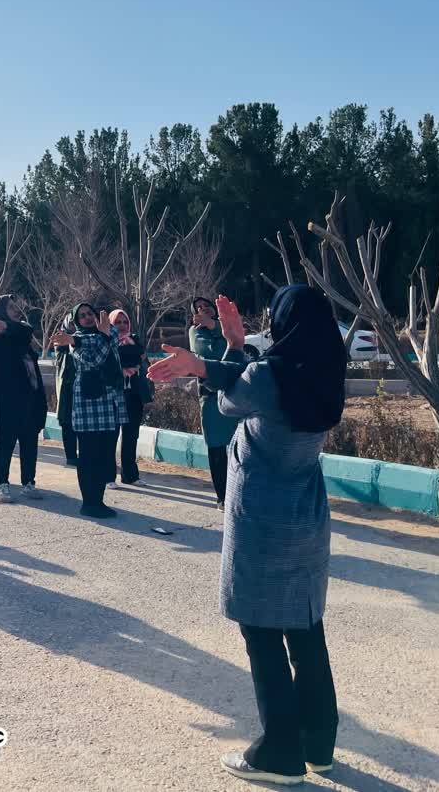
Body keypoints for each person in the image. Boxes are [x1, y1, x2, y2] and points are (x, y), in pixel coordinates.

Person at [148, 287, 345, 785]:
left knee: (261, 631)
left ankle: (279, 751)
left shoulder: (267, 376)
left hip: (262, 522)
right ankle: (317, 741)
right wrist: (232, 351)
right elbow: (246, 383)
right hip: (306, 518)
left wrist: (226, 352)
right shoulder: (324, 373)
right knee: (305, 629)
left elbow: (228, 402)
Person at [50, 304, 125, 518]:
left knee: (103, 455)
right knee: (88, 456)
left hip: (108, 403)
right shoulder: (75, 340)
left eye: (90, 313)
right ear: (76, 321)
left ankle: (98, 501)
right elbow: (93, 360)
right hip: (87, 405)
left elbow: (112, 339)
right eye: (82, 316)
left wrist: (103, 336)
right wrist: (91, 339)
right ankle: (89, 503)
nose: (87, 318)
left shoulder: (103, 334)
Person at [0, 294, 46, 503]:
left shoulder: (18, 331)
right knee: (5, 442)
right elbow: (1, 350)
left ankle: (29, 482)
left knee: (29, 441)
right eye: (10, 307)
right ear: (0, 311)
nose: (16, 310)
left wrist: (10, 326)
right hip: (8, 398)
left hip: (30, 396)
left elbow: (27, 330)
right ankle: (2, 485)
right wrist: (8, 328)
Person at [189, 296, 242, 507]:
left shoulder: (224, 326)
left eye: (207, 306)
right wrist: (221, 335)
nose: (204, 310)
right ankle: (223, 497)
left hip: (234, 394)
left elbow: (235, 349)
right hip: (211, 397)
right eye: (198, 308)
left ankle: (239, 493)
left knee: (238, 446)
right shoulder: (195, 332)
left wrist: (214, 327)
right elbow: (215, 353)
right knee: (217, 448)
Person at [108, 309, 152, 486]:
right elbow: (123, 359)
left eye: (124, 322)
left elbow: (139, 357)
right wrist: (131, 355)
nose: (122, 325)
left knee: (131, 436)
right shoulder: (107, 341)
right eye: (117, 322)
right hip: (114, 394)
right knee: (111, 437)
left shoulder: (135, 339)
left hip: (134, 395)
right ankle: (108, 476)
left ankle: (130, 475)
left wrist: (130, 354)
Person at [52, 310, 81, 467]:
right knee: (67, 422)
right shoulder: (61, 340)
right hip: (67, 387)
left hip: (82, 387)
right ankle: (71, 456)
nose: (74, 325)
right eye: (71, 322)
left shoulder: (88, 337)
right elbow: (63, 351)